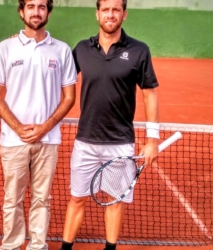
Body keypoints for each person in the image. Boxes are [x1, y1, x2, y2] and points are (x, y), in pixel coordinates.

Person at [59, 0, 160, 250]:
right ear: (97, 14)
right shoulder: (82, 49)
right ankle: (65, 247)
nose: (110, 14)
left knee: (115, 202)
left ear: (124, 14)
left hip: (120, 143)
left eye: (116, 10)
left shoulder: (139, 50)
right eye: (105, 9)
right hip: (85, 141)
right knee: (76, 199)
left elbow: (150, 93)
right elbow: (59, 81)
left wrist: (152, 140)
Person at [0, 0, 77, 249]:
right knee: (12, 199)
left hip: (48, 141)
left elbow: (69, 97)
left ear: (48, 11)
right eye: (31, 6)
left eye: (42, 7)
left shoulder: (62, 50)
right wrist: (17, 127)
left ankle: (38, 245)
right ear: (21, 11)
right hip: (13, 141)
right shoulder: (6, 48)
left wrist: (44, 127)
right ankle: (12, 246)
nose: (36, 12)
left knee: (42, 199)